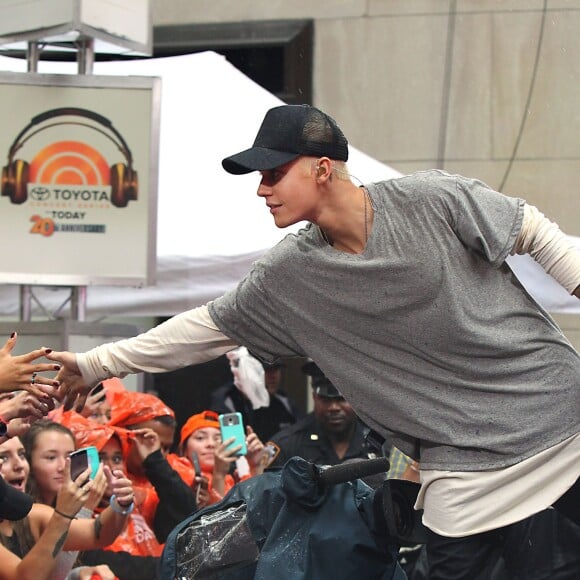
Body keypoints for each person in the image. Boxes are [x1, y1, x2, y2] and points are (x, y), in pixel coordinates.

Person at [46, 104, 579, 579]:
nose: (261, 188)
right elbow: (205, 327)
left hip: (559, 435)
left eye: (274, 172)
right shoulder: (289, 274)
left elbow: (533, 231)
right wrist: (94, 361)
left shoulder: (429, 198)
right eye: (259, 176)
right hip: (459, 480)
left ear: (323, 169)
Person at [266, 361, 383, 468]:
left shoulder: (377, 442)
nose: (334, 408)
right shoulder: (287, 445)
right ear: (314, 397)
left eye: (341, 399)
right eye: (326, 400)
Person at [179, 410, 265, 505]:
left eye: (217, 438)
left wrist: (255, 466)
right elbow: (218, 517)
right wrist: (219, 474)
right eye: (200, 438)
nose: (211, 444)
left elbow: (255, 510)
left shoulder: (231, 480)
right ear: (184, 449)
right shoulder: (175, 478)